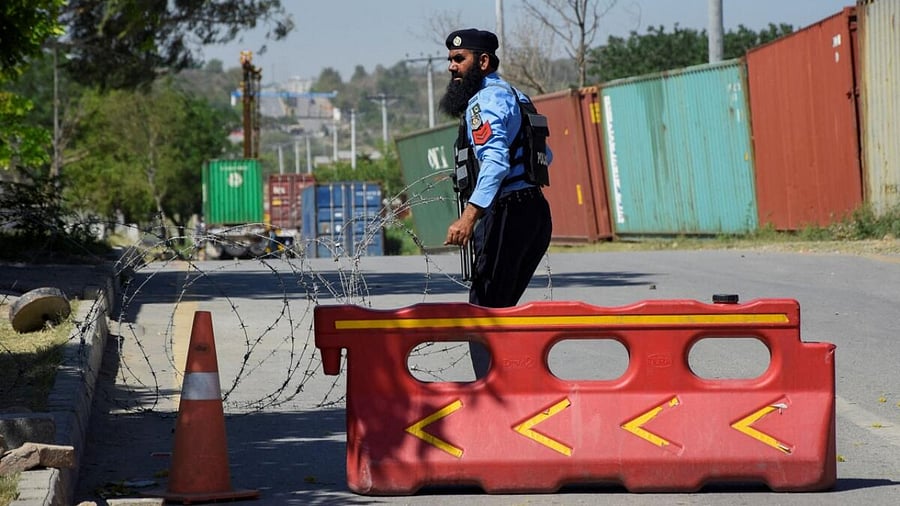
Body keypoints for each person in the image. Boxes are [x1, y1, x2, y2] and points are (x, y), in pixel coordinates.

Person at [440, 28, 553, 377]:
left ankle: (490, 394)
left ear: (483, 61)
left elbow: (495, 163)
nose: (452, 67)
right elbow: (546, 155)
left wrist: (469, 217)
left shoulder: (485, 102)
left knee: (482, 312)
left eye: (460, 59)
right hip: (534, 213)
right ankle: (510, 381)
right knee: (501, 311)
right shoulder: (516, 96)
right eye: (450, 60)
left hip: (507, 215)